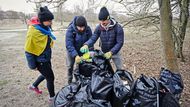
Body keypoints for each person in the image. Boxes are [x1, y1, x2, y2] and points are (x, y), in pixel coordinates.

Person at [24, 6, 56, 102]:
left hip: (46, 58)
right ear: (42, 20)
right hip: (40, 61)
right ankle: (52, 98)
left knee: (46, 74)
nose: (51, 22)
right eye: (49, 20)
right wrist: (32, 66)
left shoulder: (45, 29)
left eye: (51, 20)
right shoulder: (33, 32)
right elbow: (28, 50)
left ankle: (33, 86)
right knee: (50, 77)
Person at [65, 16, 93, 84]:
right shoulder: (70, 29)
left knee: (80, 66)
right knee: (70, 66)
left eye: (83, 27)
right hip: (71, 51)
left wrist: (90, 53)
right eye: (79, 27)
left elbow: (91, 41)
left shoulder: (88, 29)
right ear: (76, 25)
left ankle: (79, 82)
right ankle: (69, 81)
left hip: (83, 51)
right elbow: (69, 44)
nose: (81, 29)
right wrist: (75, 55)